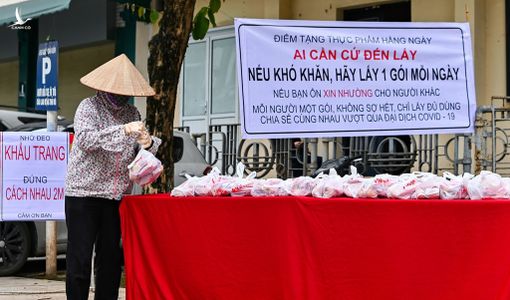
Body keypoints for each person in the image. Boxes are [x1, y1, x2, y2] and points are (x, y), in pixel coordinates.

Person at [65, 54, 161, 300]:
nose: (122, 96)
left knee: (109, 260)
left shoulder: (132, 112)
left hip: (116, 195)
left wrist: (148, 143)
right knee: (80, 259)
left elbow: (139, 152)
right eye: (118, 91)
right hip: (84, 195)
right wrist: (122, 130)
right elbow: (86, 140)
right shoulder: (88, 107)